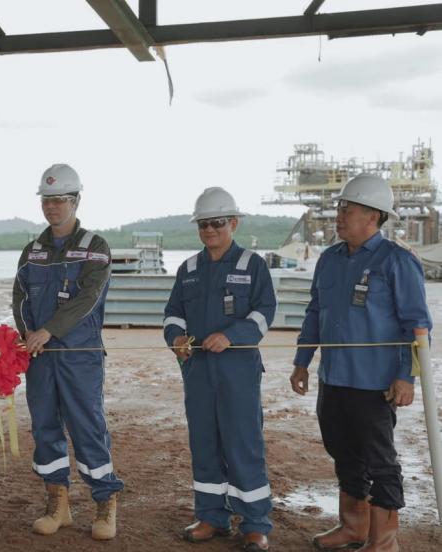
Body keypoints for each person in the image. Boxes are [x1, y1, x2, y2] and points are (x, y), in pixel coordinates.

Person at [290, 173, 432, 551]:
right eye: (338, 207)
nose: (337, 215)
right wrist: (302, 361)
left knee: (380, 461)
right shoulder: (330, 259)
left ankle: (383, 541)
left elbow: (418, 327)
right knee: (343, 452)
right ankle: (353, 527)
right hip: (333, 378)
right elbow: (315, 312)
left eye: (345, 208)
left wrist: (407, 378)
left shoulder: (397, 261)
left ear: (372, 215)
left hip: (376, 383)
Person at [13, 163, 124, 541]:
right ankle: (57, 503)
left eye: (60, 199)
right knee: (45, 427)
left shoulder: (95, 247)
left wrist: (49, 330)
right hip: (40, 355)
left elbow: (89, 298)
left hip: (79, 355)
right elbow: (20, 297)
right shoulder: (33, 250)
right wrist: (27, 332)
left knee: (87, 427)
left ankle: (105, 502)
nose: (52, 207)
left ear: (76, 200)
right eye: (47, 200)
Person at [162, 187, 276, 551]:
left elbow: (263, 314)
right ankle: (212, 516)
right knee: (204, 443)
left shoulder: (252, 265)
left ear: (233, 223)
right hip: (197, 371)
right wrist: (176, 338)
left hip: (237, 371)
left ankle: (255, 523)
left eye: (217, 223)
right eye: (203, 224)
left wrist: (231, 335)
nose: (209, 230)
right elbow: (172, 314)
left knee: (243, 443)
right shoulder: (189, 269)